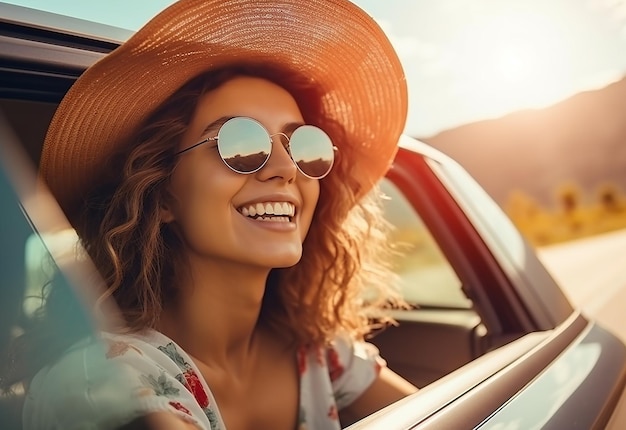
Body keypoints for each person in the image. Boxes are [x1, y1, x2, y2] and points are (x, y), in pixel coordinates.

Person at [12, 0, 417, 428]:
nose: (285, 169)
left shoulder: (320, 352)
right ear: (162, 194)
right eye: (239, 144)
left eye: (304, 146)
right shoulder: (105, 381)